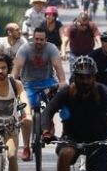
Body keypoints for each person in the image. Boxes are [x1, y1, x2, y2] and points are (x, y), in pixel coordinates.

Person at [12, 27, 67, 161]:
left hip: (48, 82)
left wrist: (63, 82)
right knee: (26, 115)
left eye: (42, 40)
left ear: (46, 40)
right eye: (36, 39)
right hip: (28, 84)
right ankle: (26, 147)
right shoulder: (25, 49)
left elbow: (58, 66)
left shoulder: (51, 48)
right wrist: (13, 83)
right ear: (33, 38)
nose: (39, 42)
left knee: (63, 103)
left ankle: (66, 135)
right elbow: (17, 67)